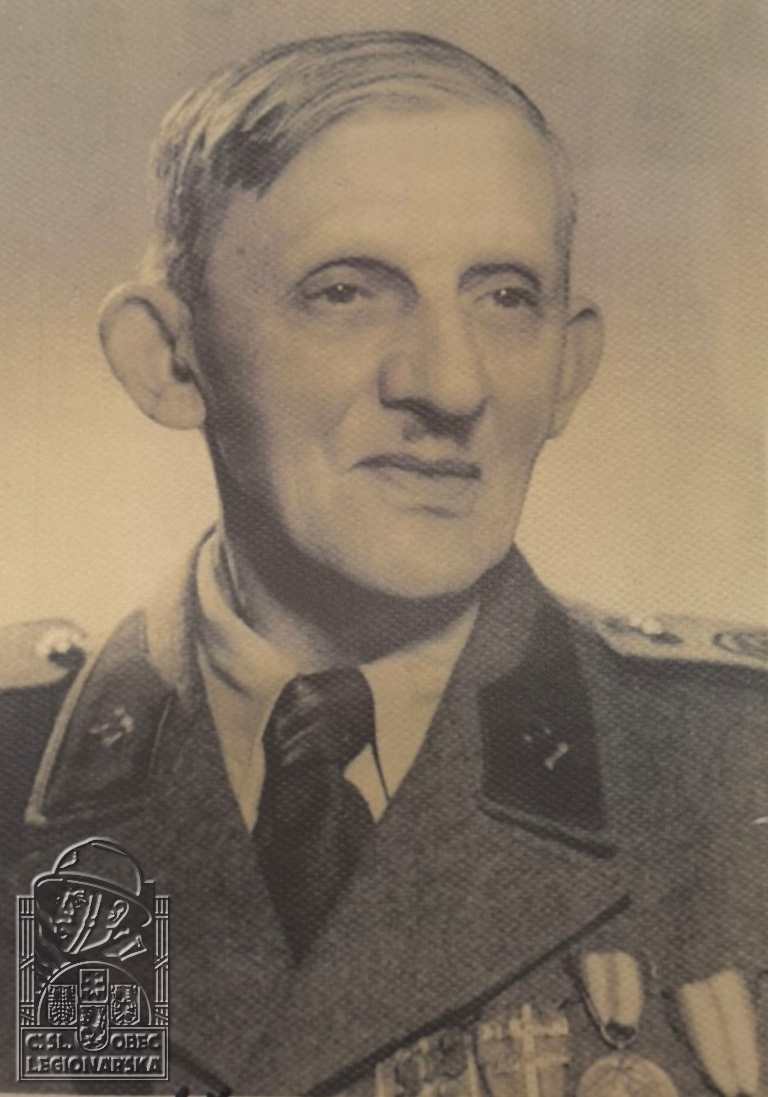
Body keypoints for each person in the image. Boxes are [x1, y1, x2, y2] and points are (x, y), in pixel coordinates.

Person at [0, 30, 765, 1097]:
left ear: (568, 366)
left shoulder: (738, 766)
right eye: (347, 291)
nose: (450, 385)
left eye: (505, 296)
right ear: (170, 359)